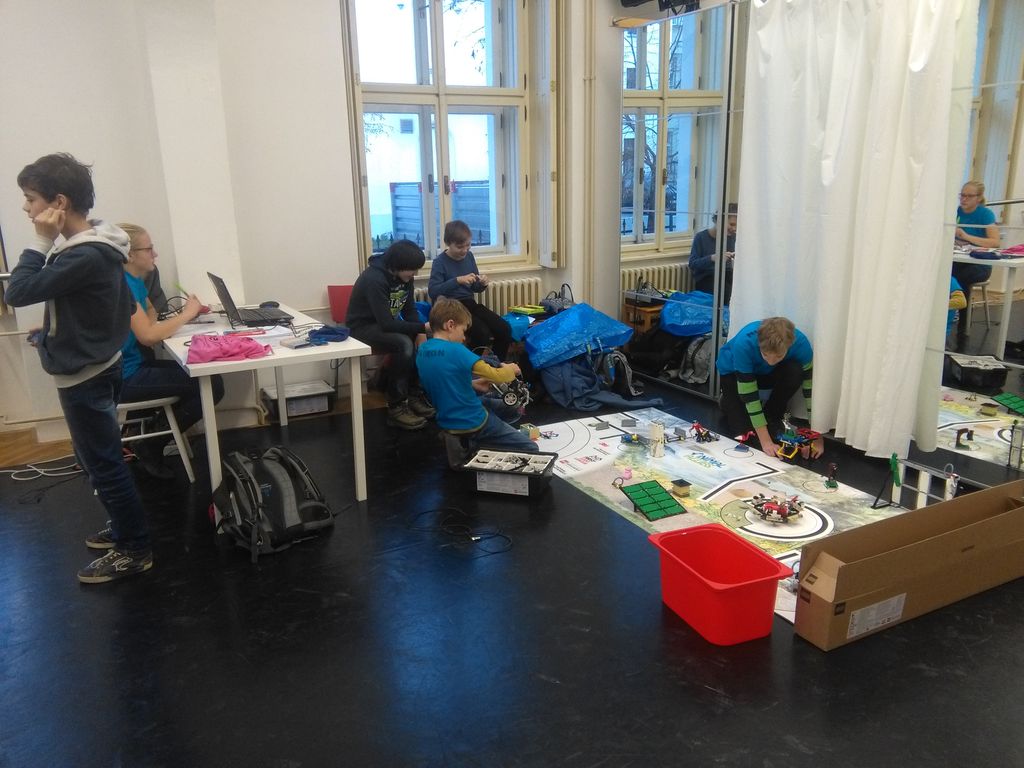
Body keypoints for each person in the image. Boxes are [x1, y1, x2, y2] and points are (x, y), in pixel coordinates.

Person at [5, 153, 152, 583]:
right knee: (96, 461)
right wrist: (55, 330)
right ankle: (125, 528)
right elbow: (106, 305)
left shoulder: (82, 253)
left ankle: (134, 549)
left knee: (104, 465)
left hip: (85, 376)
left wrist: (39, 241)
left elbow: (18, 292)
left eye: (31, 198)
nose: (26, 208)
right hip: (99, 364)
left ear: (59, 203)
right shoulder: (100, 243)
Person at [118, 223, 225, 474]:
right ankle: (150, 443)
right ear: (130, 255)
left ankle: (150, 435)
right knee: (212, 385)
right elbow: (148, 336)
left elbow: (151, 314)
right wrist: (187, 314)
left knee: (205, 378)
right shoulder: (123, 285)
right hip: (125, 377)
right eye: (149, 249)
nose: (154, 254)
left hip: (133, 365)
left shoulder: (134, 281)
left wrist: (155, 324)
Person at [416, 298, 538, 463]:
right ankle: (478, 442)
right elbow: (497, 376)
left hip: (447, 419)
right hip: (472, 420)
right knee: (531, 448)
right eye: (463, 330)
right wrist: (511, 369)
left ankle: (463, 441)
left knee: (507, 406)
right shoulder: (456, 350)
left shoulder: (423, 350)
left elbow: (444, 382)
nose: (464, 338)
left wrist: (473, 384)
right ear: (450, 325)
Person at [346, 239, 436, 430]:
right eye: (412, 269)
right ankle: (396, 406)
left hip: (386, 326)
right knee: (403, 344)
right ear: (397, 265)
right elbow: (386, 324)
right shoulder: (374, 279)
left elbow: (409, 310)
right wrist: (421, 328)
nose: (414, 274)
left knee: (427, 341)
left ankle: (414, 394)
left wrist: (421, 332)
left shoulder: (405, 278)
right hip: (362, 328)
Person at [717, 316, 823, 459]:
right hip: (733, 373)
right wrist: (766, 442)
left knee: (795, 371)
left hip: (765, 373)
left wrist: (816, 436)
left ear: (789, 345)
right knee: (744, 435)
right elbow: (750, 395)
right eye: (765, 354)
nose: (771, 361)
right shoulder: (744, 343)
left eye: (778, 356)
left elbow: (811, 393)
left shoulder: (802, 345)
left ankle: (770, 415)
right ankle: (728, 401)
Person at [428, 220, 513, 360]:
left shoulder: (469, 256)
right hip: (450, 308)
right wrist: (457, 281)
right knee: (482, 334)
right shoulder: (440, 262)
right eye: (460, 247)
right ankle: (471, 365)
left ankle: (496, 365)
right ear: (448, 243)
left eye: (468, 245)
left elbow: (475, 287)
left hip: (469, 303)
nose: (465, 250)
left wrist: (482, 283)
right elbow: (433, 291)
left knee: (504, 329)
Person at [951, 180, 1000, 352]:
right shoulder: (956, 212)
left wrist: (966, 236)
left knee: (960, 278)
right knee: (947, 274)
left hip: (980, 265)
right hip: (959, 259)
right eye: (962, 195)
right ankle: (949, 314)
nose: (963, 199)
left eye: (969, 196)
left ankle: (962, 323)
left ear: (978, 198)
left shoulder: (985, 214)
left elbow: (995, 242)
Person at [688, 203, 737, 304]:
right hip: (707, 277)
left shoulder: (734, 237)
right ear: (718, 221)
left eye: (736, 225)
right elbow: (693, 264)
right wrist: (713, 258)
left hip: (728, 275)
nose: (734, 229)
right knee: (727, 293)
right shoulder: (701, 237)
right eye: (732, 224)